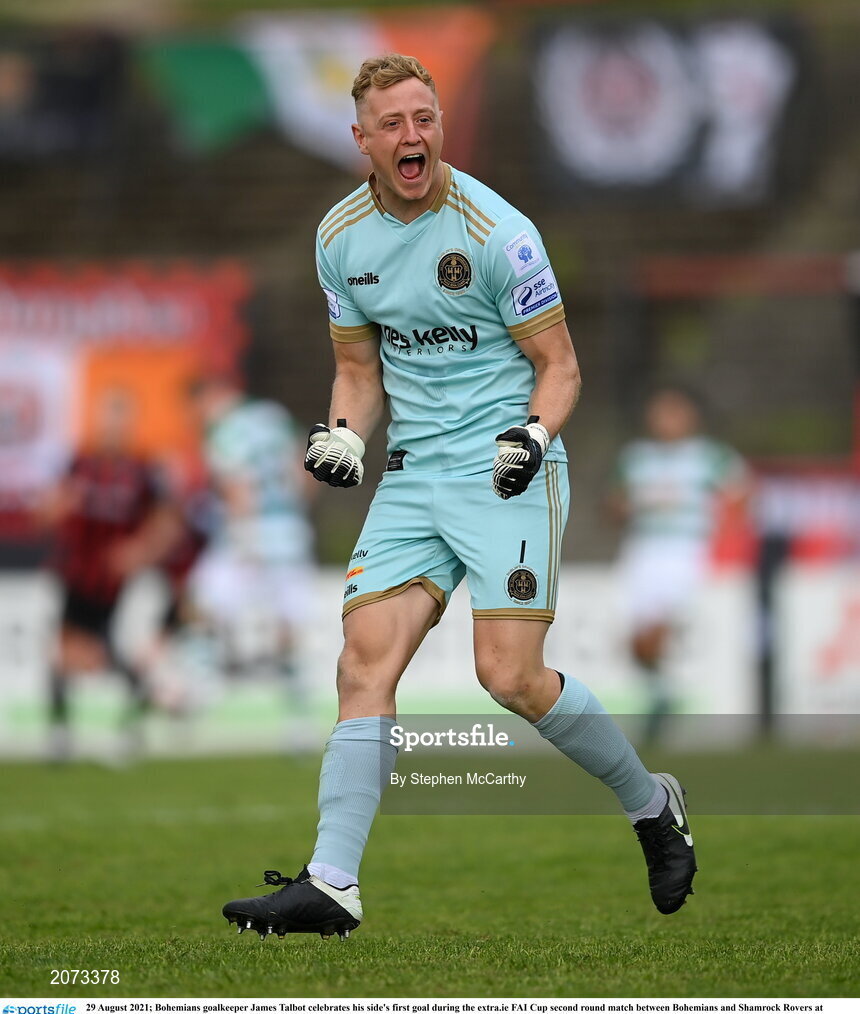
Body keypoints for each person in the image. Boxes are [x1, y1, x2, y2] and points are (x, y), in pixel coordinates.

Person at [222, 54, 697, 941]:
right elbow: (357, 371)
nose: (413, 136)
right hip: (413, 478)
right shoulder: (339, 236)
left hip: (505, 468)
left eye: (425, 118)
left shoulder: (498, 233)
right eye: (393, 124)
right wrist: (343, 435)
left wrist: (534, 436)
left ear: (440, 125)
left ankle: (650, 806)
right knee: (362, 662)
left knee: (509, 677)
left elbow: (560, 367)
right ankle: (332, 883)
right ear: (361, 139)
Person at [43, 387, 179, 762]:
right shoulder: (79, 463)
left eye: (121, 419)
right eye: (108, 418)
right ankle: (60, 734)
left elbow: (169, 521)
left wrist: (141, 550)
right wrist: (57, 506)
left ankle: (128, 731)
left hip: (118, 583)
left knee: (124, 654)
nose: (113, 427)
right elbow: (47, 511)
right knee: (62, 655)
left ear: (129, 424)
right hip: (78, 575)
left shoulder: (142, 470)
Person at [608, 385, 750, 742]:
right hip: (642, 548)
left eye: (674, 411)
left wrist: (724, 536)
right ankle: (663, 693)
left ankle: (664, 702)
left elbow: (743, 495)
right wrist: (624, 508)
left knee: (658, 632)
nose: (666, 419)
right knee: (635, 641)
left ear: (690, 416)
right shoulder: (636, 457)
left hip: (684, 549)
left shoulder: (710, 456)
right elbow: (614, 502)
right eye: (660, 411)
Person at [187, 373, 316, 700]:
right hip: (290, 529)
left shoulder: (224, 430)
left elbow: (238, 488)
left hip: (252, 531)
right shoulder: (274, 416)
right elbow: (309, 466)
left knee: (203, 601)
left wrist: (246, 534)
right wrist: (293, 510)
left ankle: (205, 684)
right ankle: (297, 707)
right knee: (287, 621)